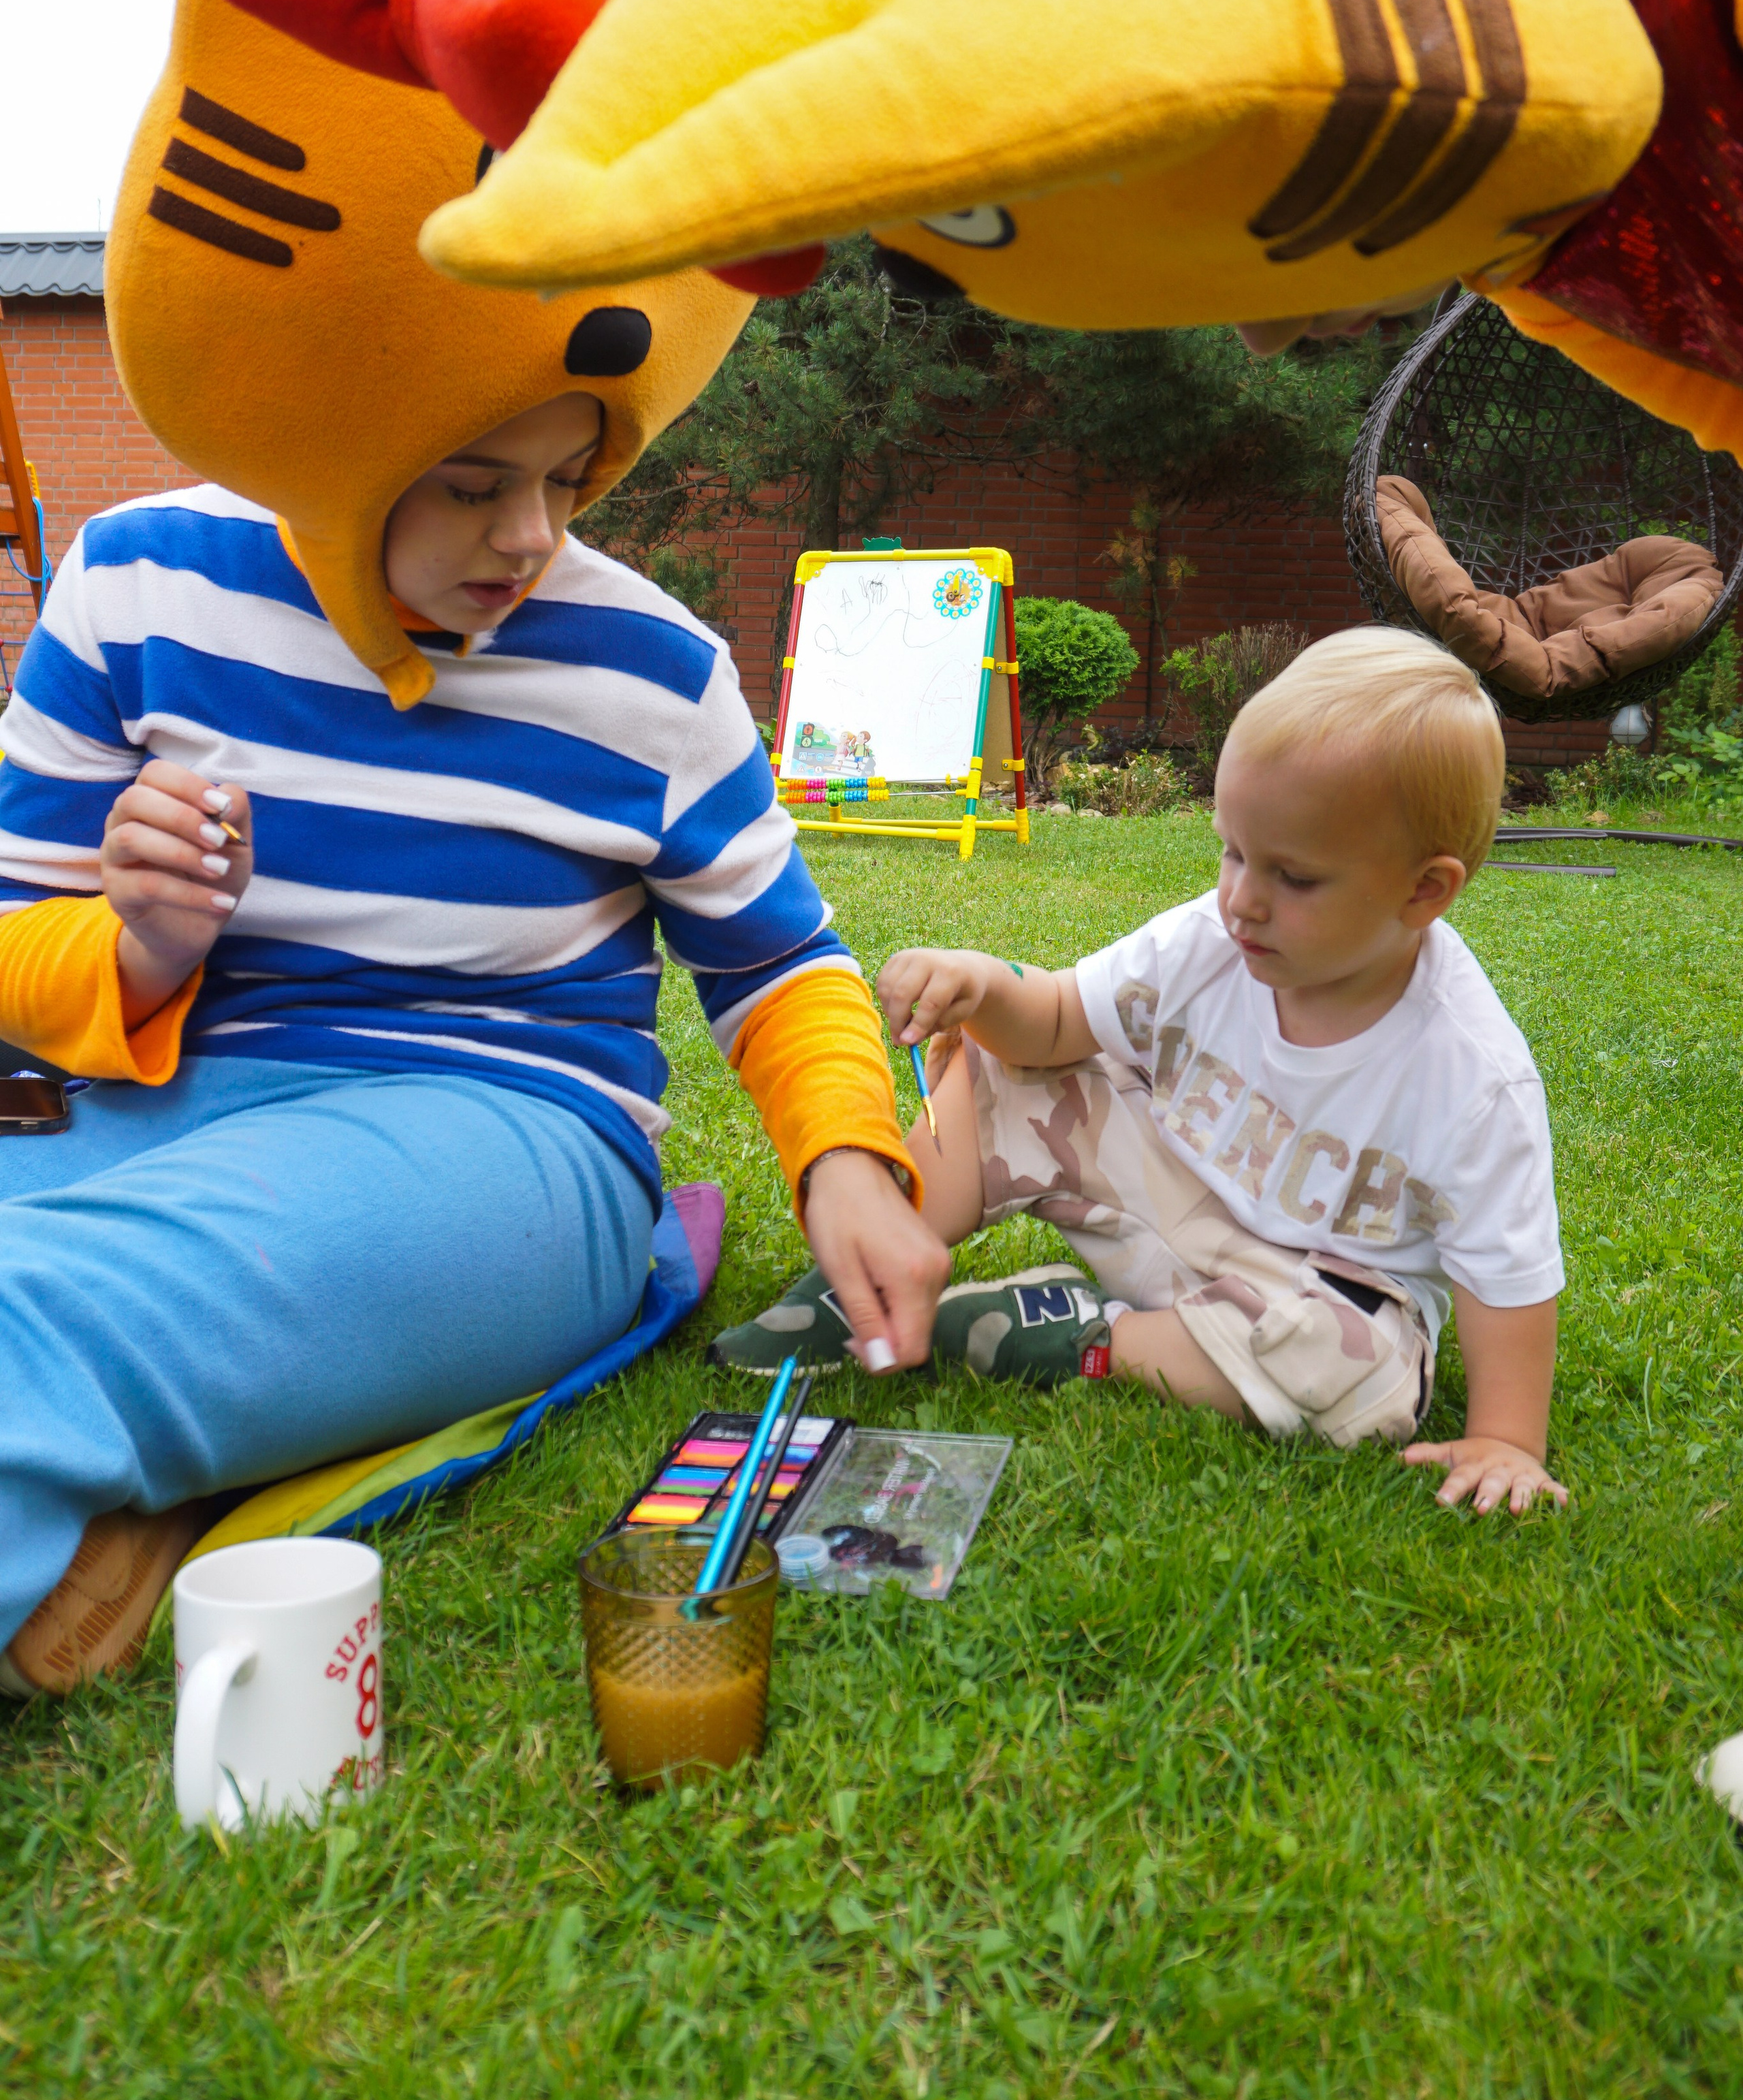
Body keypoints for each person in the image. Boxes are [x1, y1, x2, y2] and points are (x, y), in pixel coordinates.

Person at [0, 393, 947, 1694]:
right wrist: (142, 947)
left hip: (491, 1129)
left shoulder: (658, 669)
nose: (531, 535)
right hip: (130, 1104)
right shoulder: (135, 582)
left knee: (34, 1309)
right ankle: (158, 1481)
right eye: (471, 483)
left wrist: (845, 1157)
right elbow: (20, 930)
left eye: (566, 479)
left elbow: (777, 962)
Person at [715, 628, 1567, 1517]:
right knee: (1004, 1067)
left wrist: (1507, 1438)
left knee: (1366, 1377)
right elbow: (1056, 1022)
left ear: (1424, 891)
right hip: (1159, 1198)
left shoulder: (1472, 1077)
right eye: (1233, 852)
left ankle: (1078, 1333)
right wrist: (986, 986)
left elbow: (1507, 1279)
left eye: (1294, 877)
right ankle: (881, 1256)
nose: (1242, 899)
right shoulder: (1208, 942)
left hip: (1304, 1295)